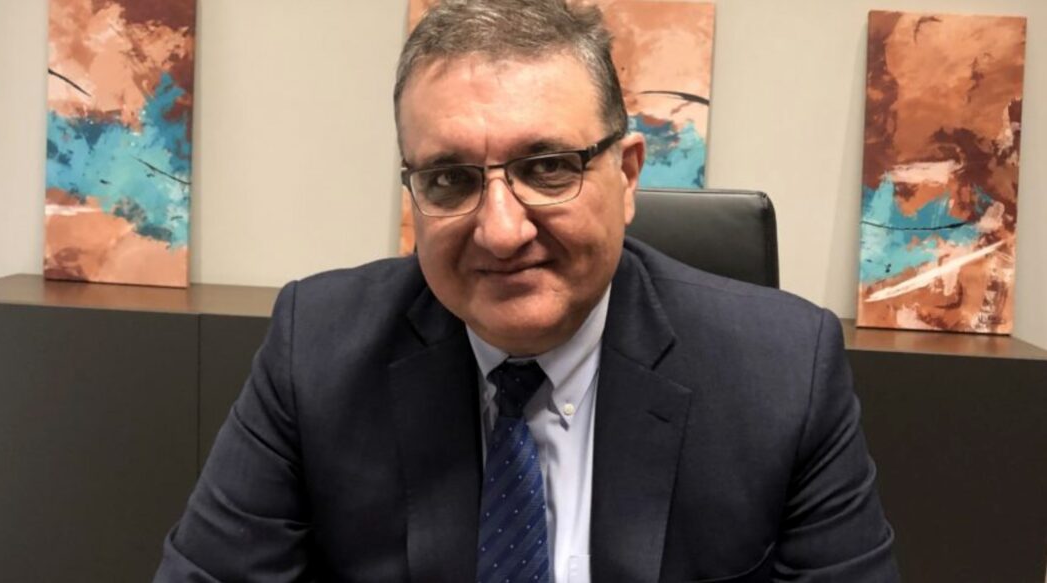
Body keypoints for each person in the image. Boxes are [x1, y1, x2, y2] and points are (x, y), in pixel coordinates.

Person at [155, 0, 898, 581]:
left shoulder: (783, 372)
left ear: (627, 176)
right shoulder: (315, 351)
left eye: (547, 167)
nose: (502, 231)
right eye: (450, 178)